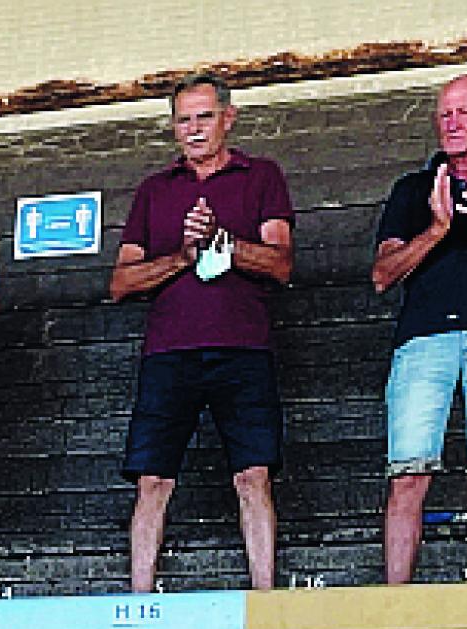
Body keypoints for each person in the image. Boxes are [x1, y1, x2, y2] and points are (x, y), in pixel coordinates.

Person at [110, 73, 295, 592]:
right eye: (183, 119)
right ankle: (139, 598)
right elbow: (122, 282)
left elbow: (281, 264)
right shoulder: (154, 190)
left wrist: (223, 242)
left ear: (228, 118)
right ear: (172, 127)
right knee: (152, 479)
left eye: (204, 117)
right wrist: (183, 257)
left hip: (244, 347)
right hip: (169, 352)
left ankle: (265, 596)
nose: (194, 129)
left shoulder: (260, 176)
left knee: (254, 475)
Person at [372, 73, 467, 584]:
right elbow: (381, 275)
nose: (452, 122)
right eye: (444, 114)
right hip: (422, 340)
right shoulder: (413, 189)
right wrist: (437, 229)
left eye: (463, 111)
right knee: (408, 473)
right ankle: (396, 600)